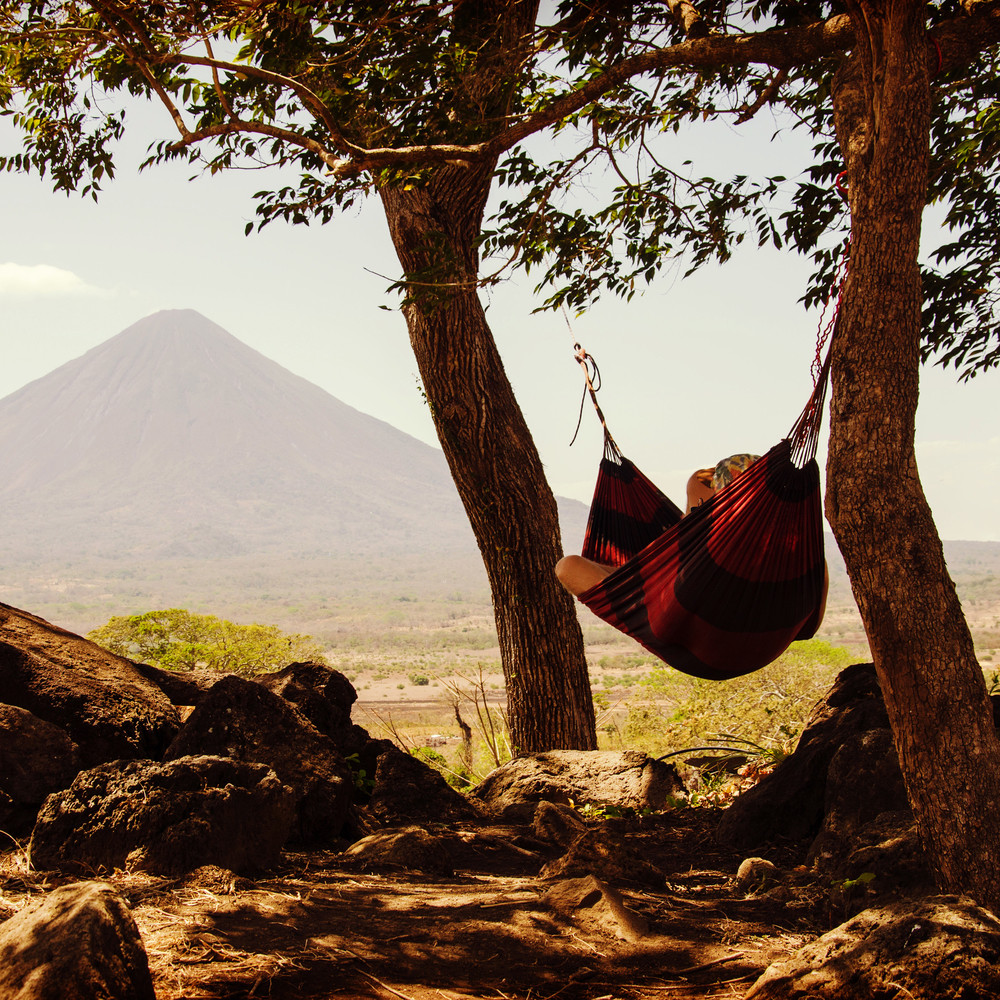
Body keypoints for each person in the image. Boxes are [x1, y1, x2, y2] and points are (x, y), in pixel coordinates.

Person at [555, 453, 761, 598]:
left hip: (683, 595)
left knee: (569, 567)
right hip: (665, 577)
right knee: (570, 566)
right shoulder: (710, 524)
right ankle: (631, 579)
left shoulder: (750, 534)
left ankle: (634, 583)